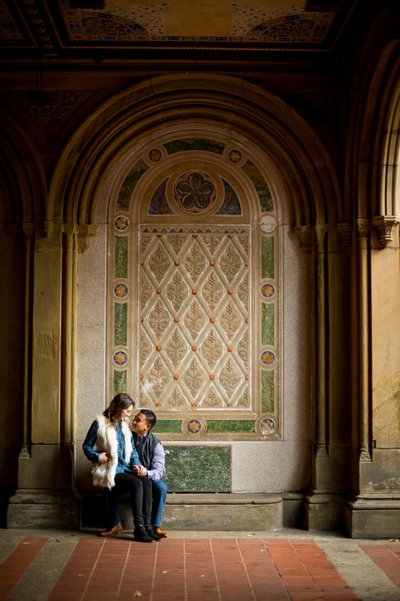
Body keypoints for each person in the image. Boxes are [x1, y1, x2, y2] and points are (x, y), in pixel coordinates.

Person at [82, 392, 160, 542]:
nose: (129, 415)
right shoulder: (99, 423)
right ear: (118, 408)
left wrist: (137, 465)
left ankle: (147, 526)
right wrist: (98, 456)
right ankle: (139, 528)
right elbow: (86, 446)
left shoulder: (124, 426)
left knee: (146, 481)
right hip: (110, 469)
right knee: (136, 482)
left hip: (125, 468)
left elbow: (133, 452)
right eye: (128, 411)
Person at [131, 409, 168, 538]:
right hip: (129, 476)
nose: (133, 421)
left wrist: (146, 472)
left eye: (138, 420)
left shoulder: (156, 444)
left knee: (161, 487)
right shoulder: (126, 436)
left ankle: (155, 525)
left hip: (147, 476)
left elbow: (159, 471)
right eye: (134, 418)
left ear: (147, 426)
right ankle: (115, 523)